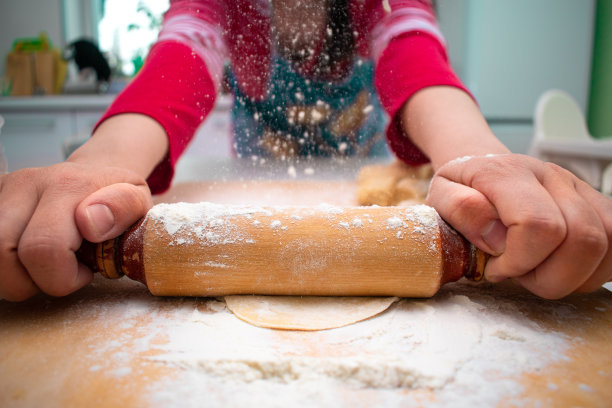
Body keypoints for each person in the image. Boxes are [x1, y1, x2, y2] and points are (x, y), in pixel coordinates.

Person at [0, 0, 610, 302]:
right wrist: (93, 169)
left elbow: (417, 62)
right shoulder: (215, 5)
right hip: (253, 178)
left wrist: (480, 160)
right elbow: (174, 71)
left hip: (364, 183)